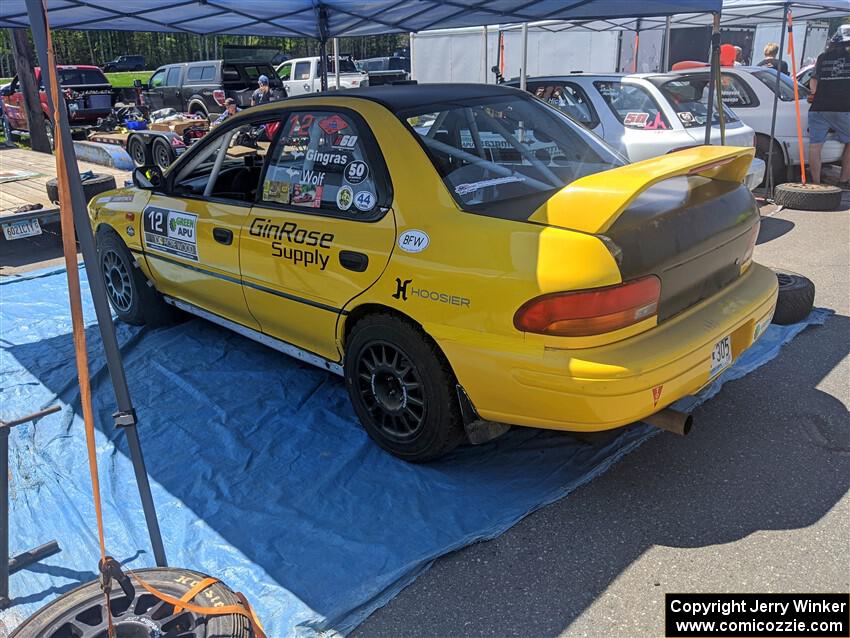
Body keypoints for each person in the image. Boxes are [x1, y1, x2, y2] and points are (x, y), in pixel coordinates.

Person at [808, 30, 850, 187]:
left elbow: (813, 80)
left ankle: (816, 182)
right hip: (842, 107)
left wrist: (816, 94)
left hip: (818, 106)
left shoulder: (822, 57)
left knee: (815, 145)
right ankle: (844, 179)